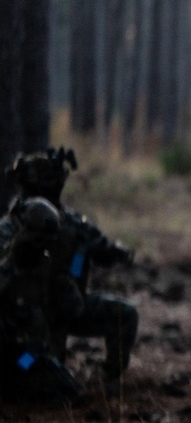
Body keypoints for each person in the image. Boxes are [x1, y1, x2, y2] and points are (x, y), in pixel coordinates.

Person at [2, 148, 137, 389]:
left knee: (124, 315)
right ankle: (14, 379)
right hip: (28, 319)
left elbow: (104, 251)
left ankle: (110, 379)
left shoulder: (73, 225)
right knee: (35, 361)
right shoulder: (10, 228)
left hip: (68, 306)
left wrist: (92, 255)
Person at [0, 197, 83, 405]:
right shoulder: (6, 264)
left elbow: (39, 328)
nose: (41, 248)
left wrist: (24, 364)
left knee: (64, 386)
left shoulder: (42, 266)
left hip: (21, 351)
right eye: (37, 241)